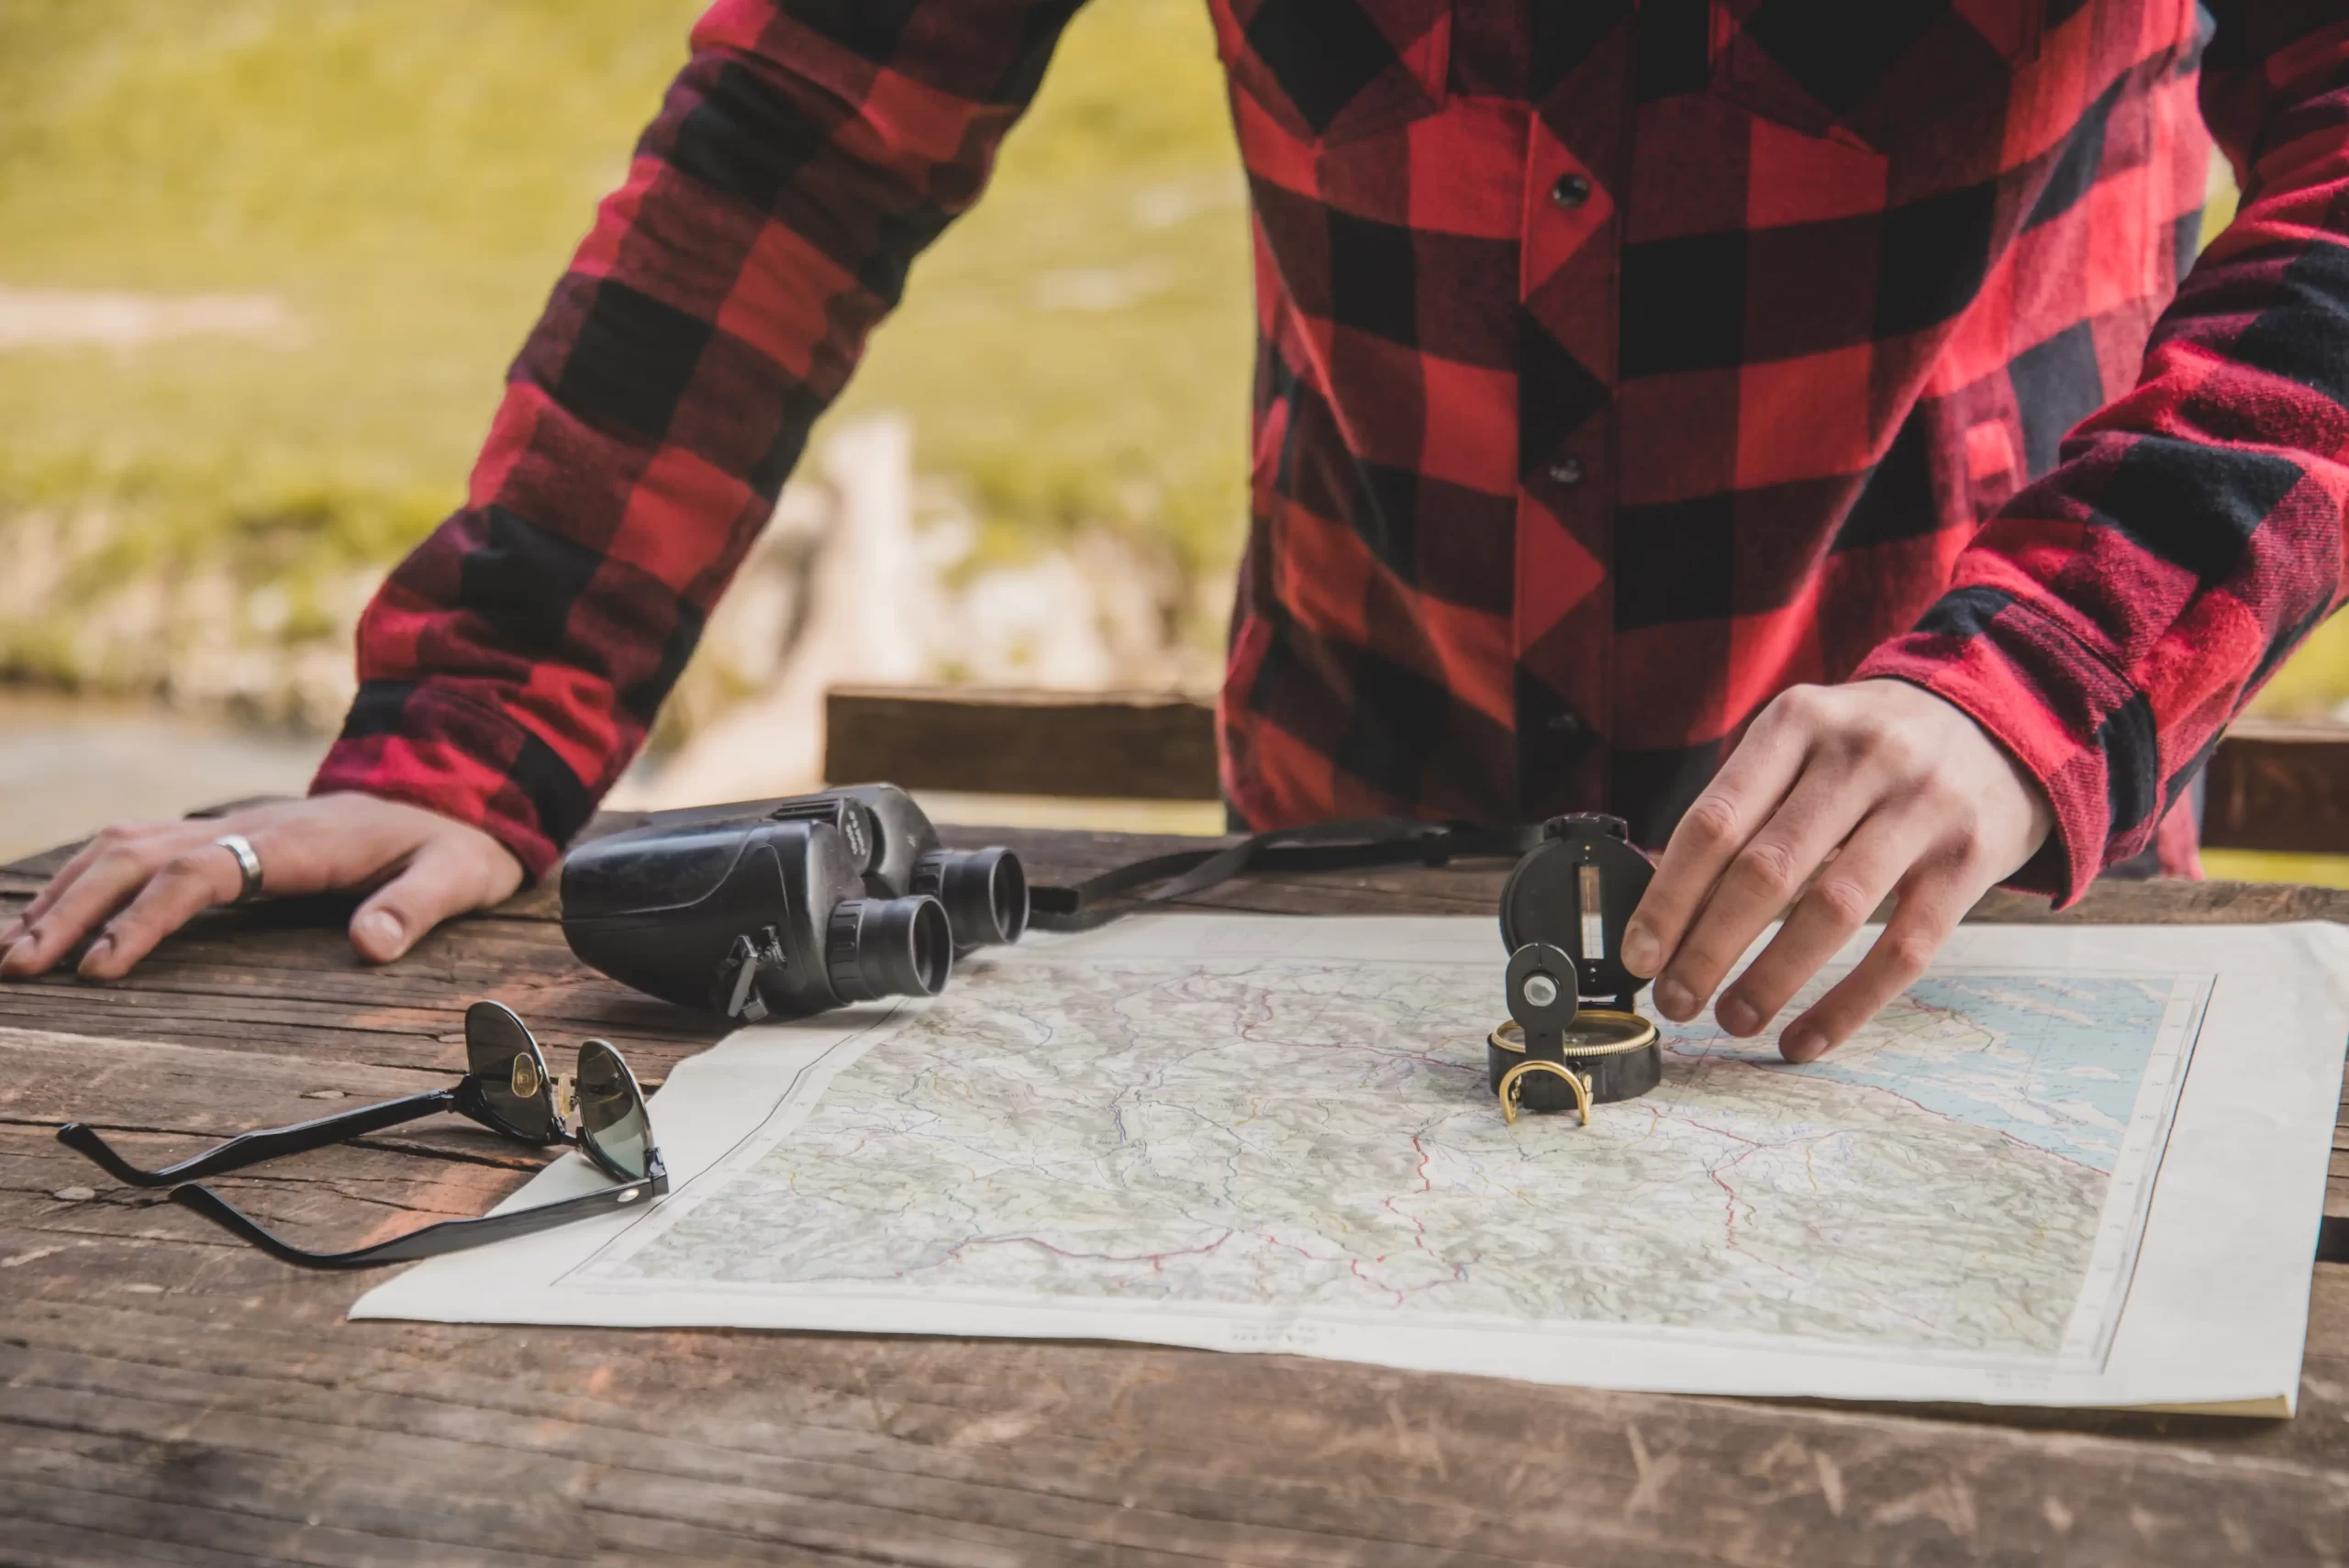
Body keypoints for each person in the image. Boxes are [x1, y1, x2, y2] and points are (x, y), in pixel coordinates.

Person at [6, 1, 2341, 1063]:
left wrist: (2038, 672)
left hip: (1963, 909)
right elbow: (801, 133)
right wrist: (467, 730)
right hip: (1345, 879)